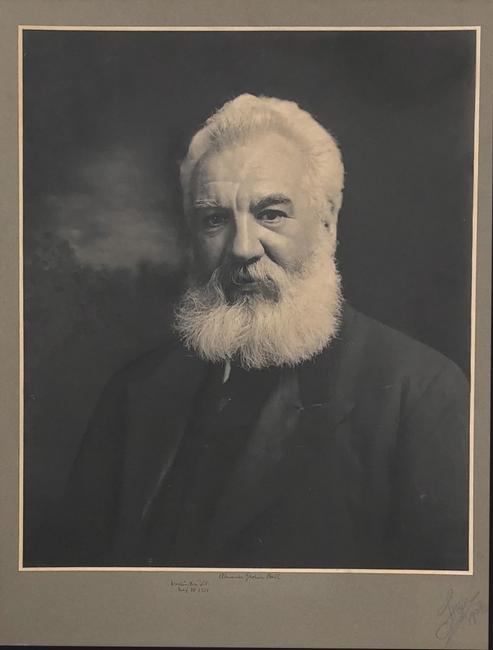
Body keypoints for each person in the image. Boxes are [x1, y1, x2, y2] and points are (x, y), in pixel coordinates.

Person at [45, 94, 469, 569]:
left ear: (327, 226)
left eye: (271, 214)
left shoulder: (421, 394)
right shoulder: (133, 394)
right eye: (215, 220)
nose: (243, 248)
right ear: (192, 237)